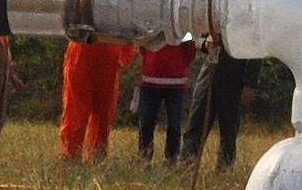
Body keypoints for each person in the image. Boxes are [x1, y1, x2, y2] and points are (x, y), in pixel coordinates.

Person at [58, 35, 131, 164]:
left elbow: (126, 26)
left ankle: (98, 156)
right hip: (83, 50)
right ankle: (71, 155)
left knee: (104, 112)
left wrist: (124, 55)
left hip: (108, 53)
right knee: (76, 110)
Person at [134, 35, 198, 160]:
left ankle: (172, 159)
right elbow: (142, 44)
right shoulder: (151, 22)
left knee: (174, 125)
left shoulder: (181, 24)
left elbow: (190, 49)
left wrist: (179, 66)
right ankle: (144, 157)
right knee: (146, 122)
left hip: (176, 82)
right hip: (150, 79)